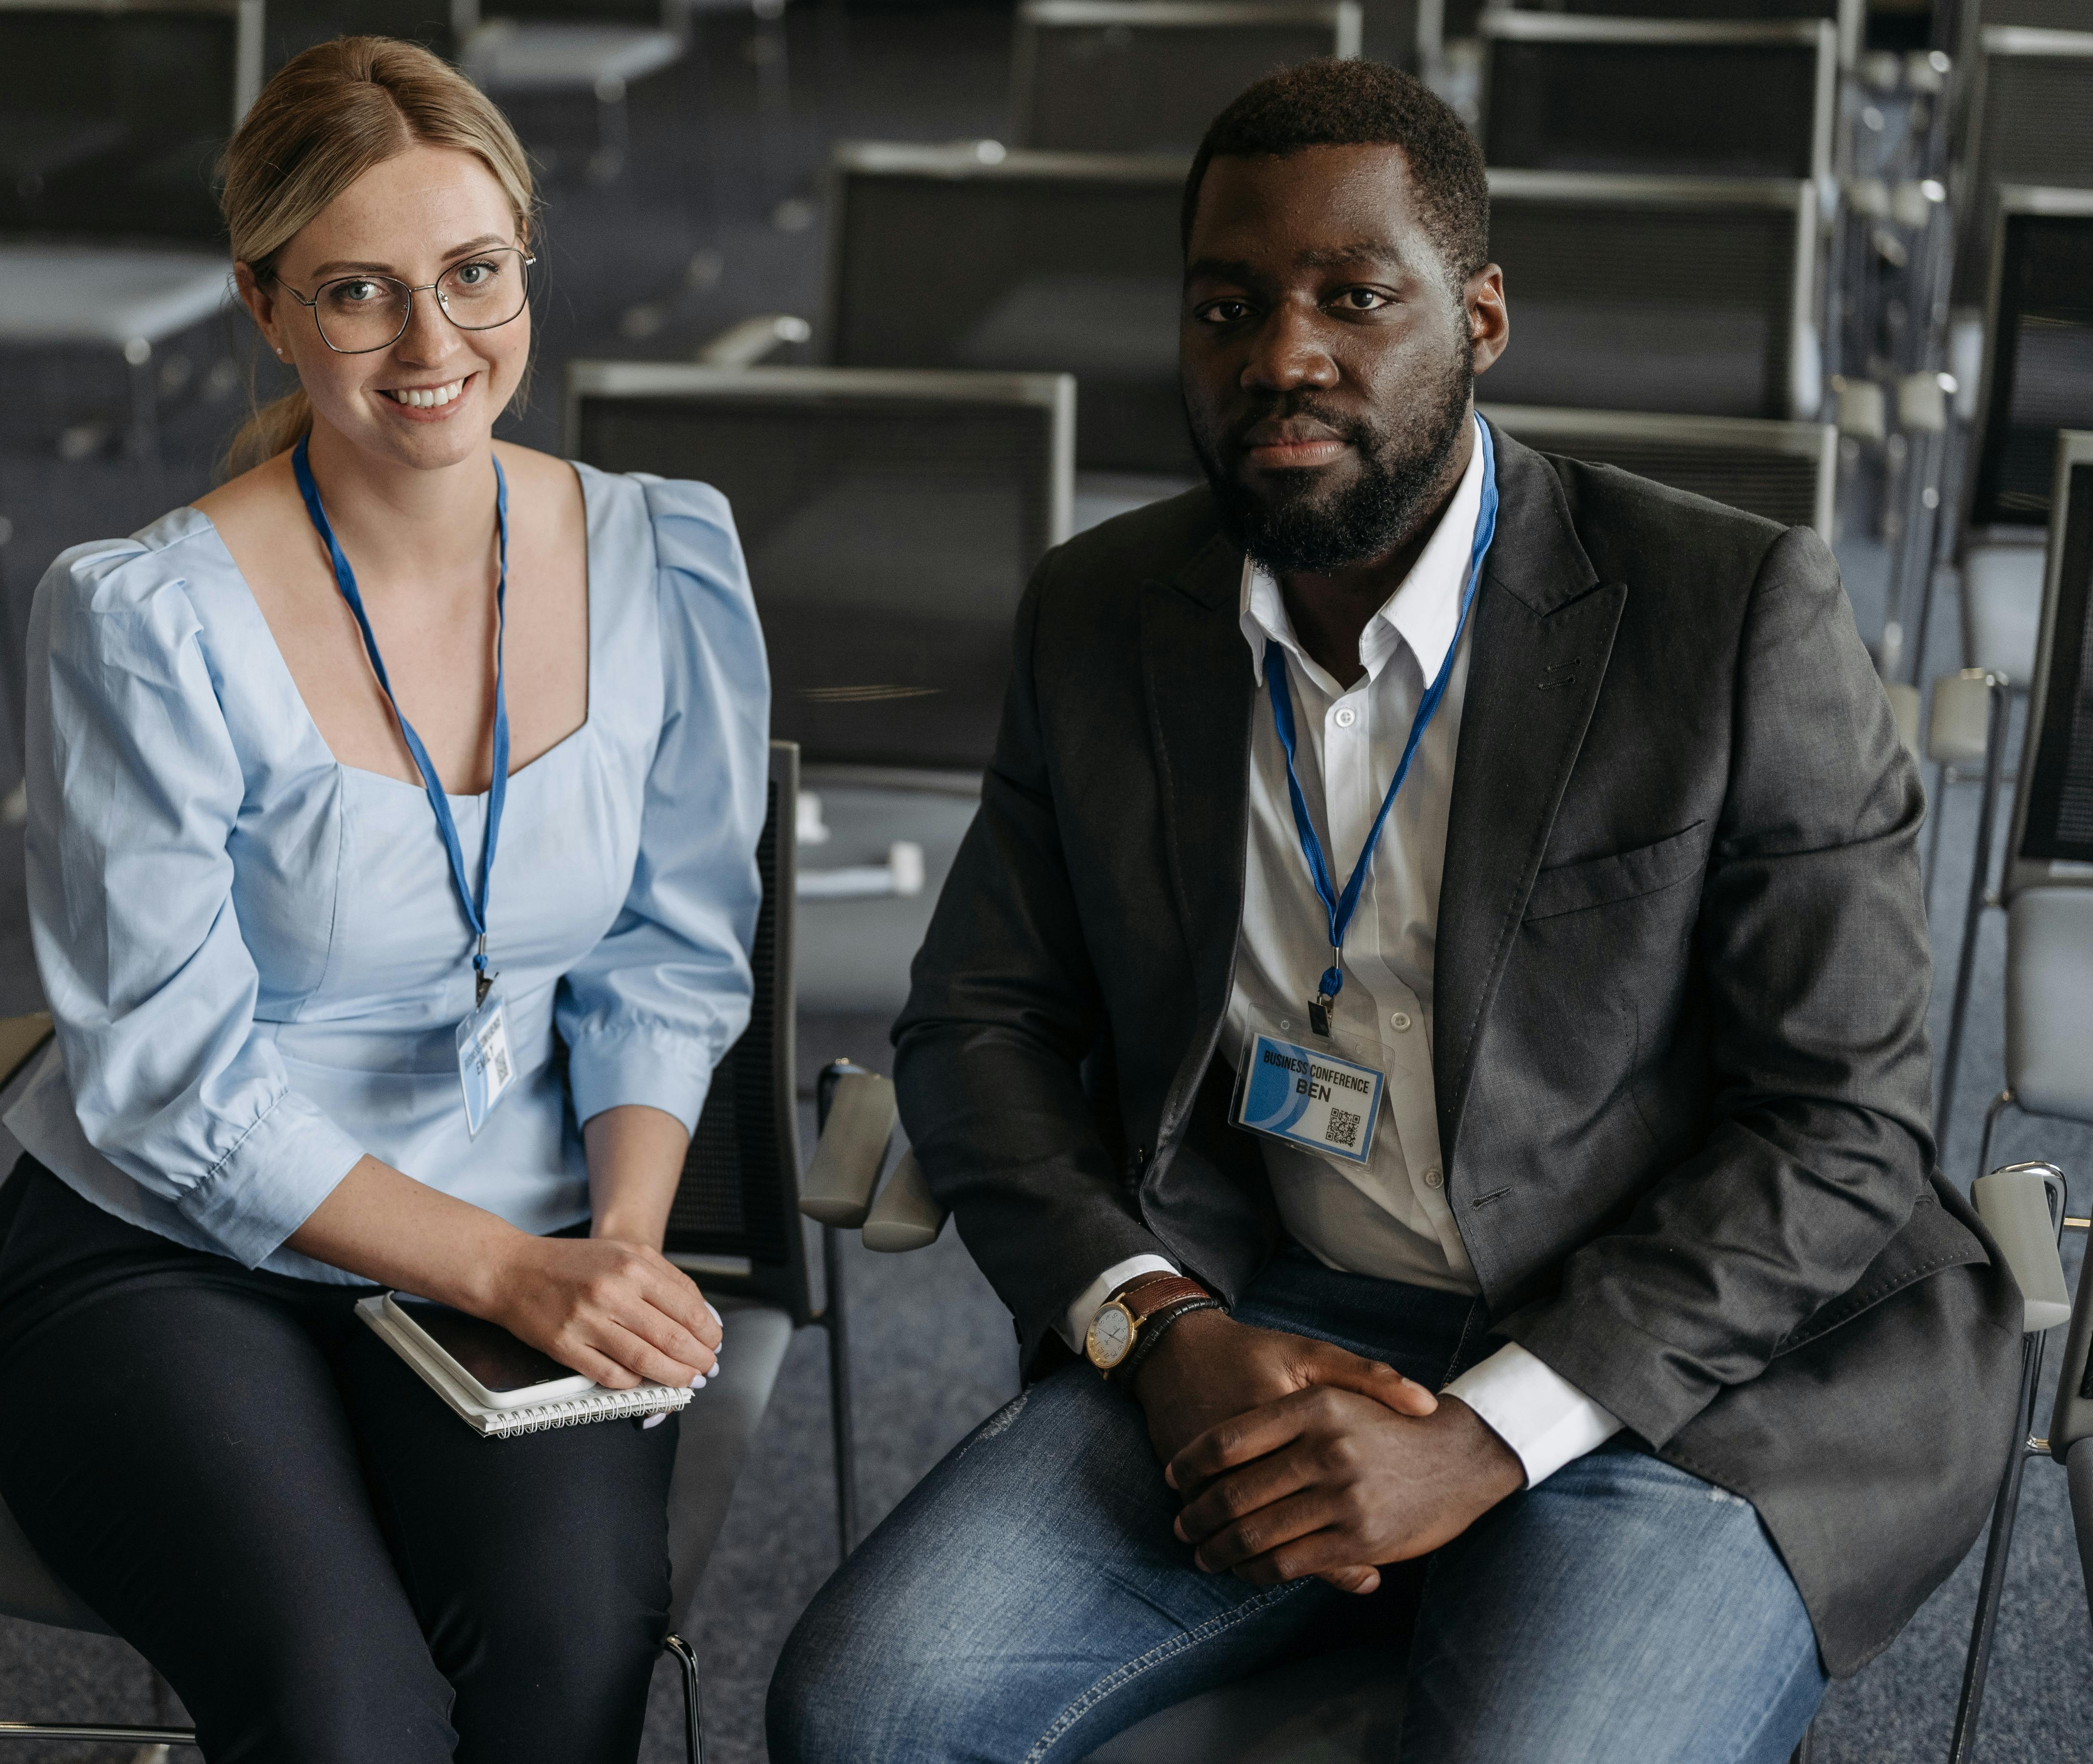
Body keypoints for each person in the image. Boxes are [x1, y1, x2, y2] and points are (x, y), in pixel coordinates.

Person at [768, 58, 2017, 1764]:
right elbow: (977, 1029)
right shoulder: (1103, 613)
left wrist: (1489, 1438)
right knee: (867, 1714)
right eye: (1227, 306)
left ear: (1481, 316)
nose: (1282, 356)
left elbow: (1839, 1129)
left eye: (1355, 299)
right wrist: (1157, 1324)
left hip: (1698, 1361)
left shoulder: (1726, 617)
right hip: (1279, 1312)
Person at [0, 38, 769, 1764]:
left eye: (474, 275)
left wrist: (611, 1244)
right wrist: (518, 1272)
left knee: (572, 1654)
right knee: (349, 1714)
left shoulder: (661, 555)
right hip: (163, 1250)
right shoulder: (145, 618)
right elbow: (170, 1084)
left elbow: (667, 951)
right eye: (358, 293)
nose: (433, 345)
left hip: (533, 1228)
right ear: (265, 305)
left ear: (526, 257)